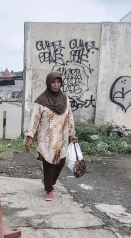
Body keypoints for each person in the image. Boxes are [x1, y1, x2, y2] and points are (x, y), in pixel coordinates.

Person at [25, 71, 78, 201]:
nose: (55, 85)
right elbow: (35, 119)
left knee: (61, 162)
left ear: (61, 83)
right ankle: (49, 189)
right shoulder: (41, 101)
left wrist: (72, 134)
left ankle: (48, 181)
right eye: (53, 82)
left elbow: (69, 116)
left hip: (61, 137)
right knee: (48, 164)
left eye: (58, 82)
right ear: (48, 83)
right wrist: (30, 137)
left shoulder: (65, 99)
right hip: (46, 138)